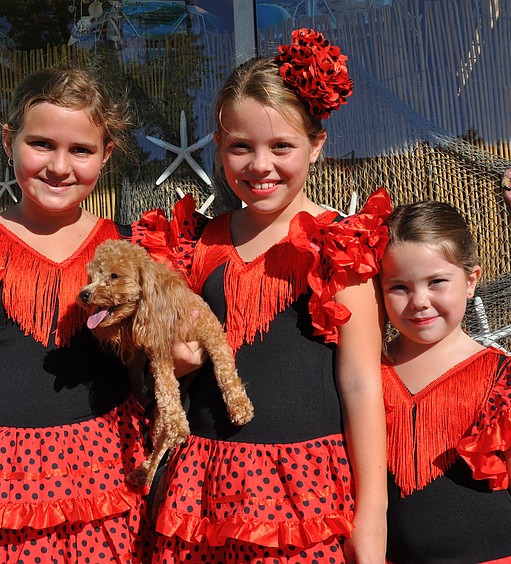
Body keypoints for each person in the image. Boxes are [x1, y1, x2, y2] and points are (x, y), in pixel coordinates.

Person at [134, 28, 390, 563]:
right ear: (219, 148)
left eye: (282, 146)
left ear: (316, 146)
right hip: (202, 488)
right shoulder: (194, 244)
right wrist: (172, 360)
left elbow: (363, 383)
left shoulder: (339, 244)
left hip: (307, 495)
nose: (260, 165)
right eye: (240, 147)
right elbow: (163, 352)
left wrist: (372, 515)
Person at [0, 65, 153, 563]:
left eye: (80, 150)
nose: (59, 166)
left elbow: (148, 368)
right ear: (8, 140)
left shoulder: (129, 250)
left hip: (104, 482)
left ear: (107, 155)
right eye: (41, 144)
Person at [379, 201, 511, 564]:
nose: (419, 301)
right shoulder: (365, 374)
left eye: (436, 282)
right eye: (399, 287)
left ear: (471, 280)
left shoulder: (506, 380)